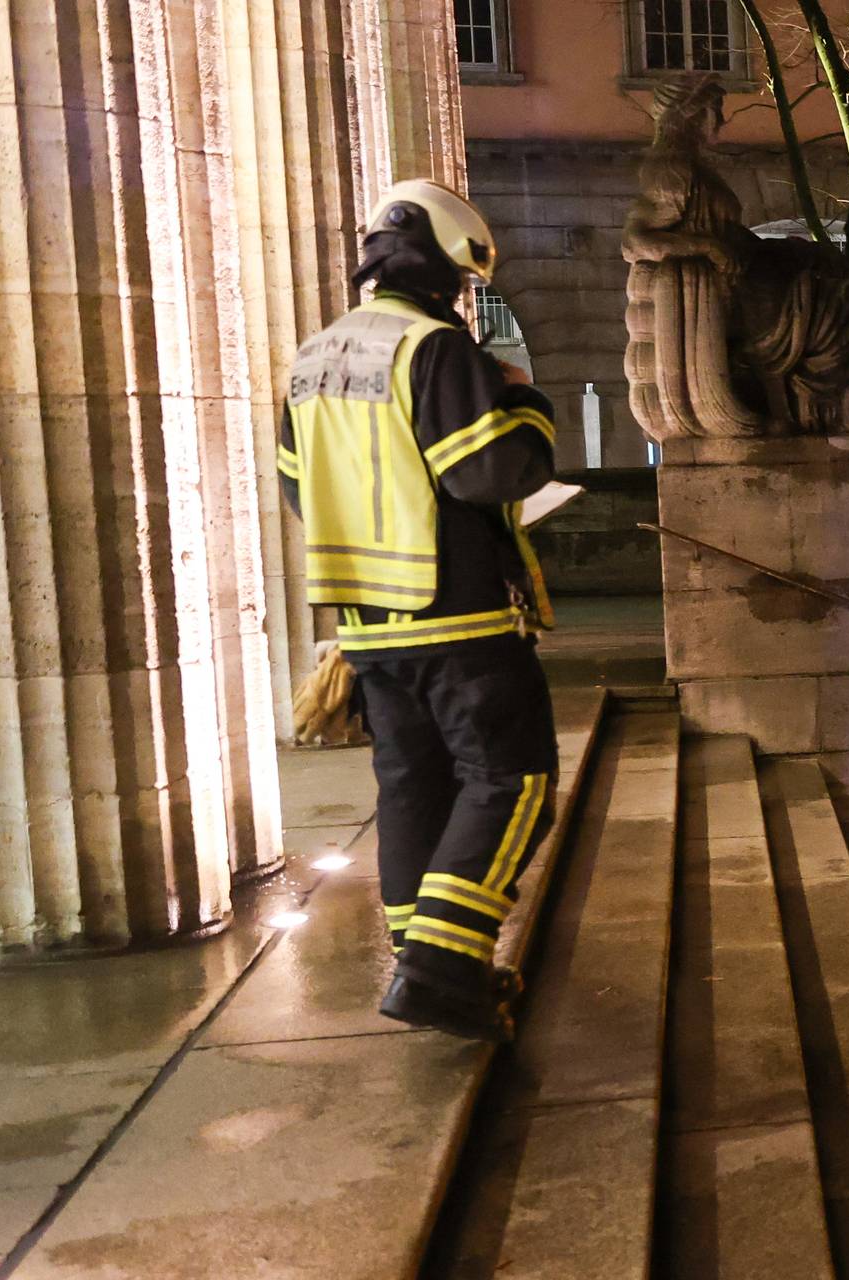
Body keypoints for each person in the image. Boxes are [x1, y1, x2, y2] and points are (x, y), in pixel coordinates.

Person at [280, 179, 559, 1043]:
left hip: (367, 626)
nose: (464, 299)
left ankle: (426, 958)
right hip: (457, 616)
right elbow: (493, 471)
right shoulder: (433, 349)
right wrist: (526, 403)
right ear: (444, 268)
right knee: (514, 782)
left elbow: (298, 489)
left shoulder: (313, 359)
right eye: (465, 283)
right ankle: (439, 966)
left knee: (414, 787)